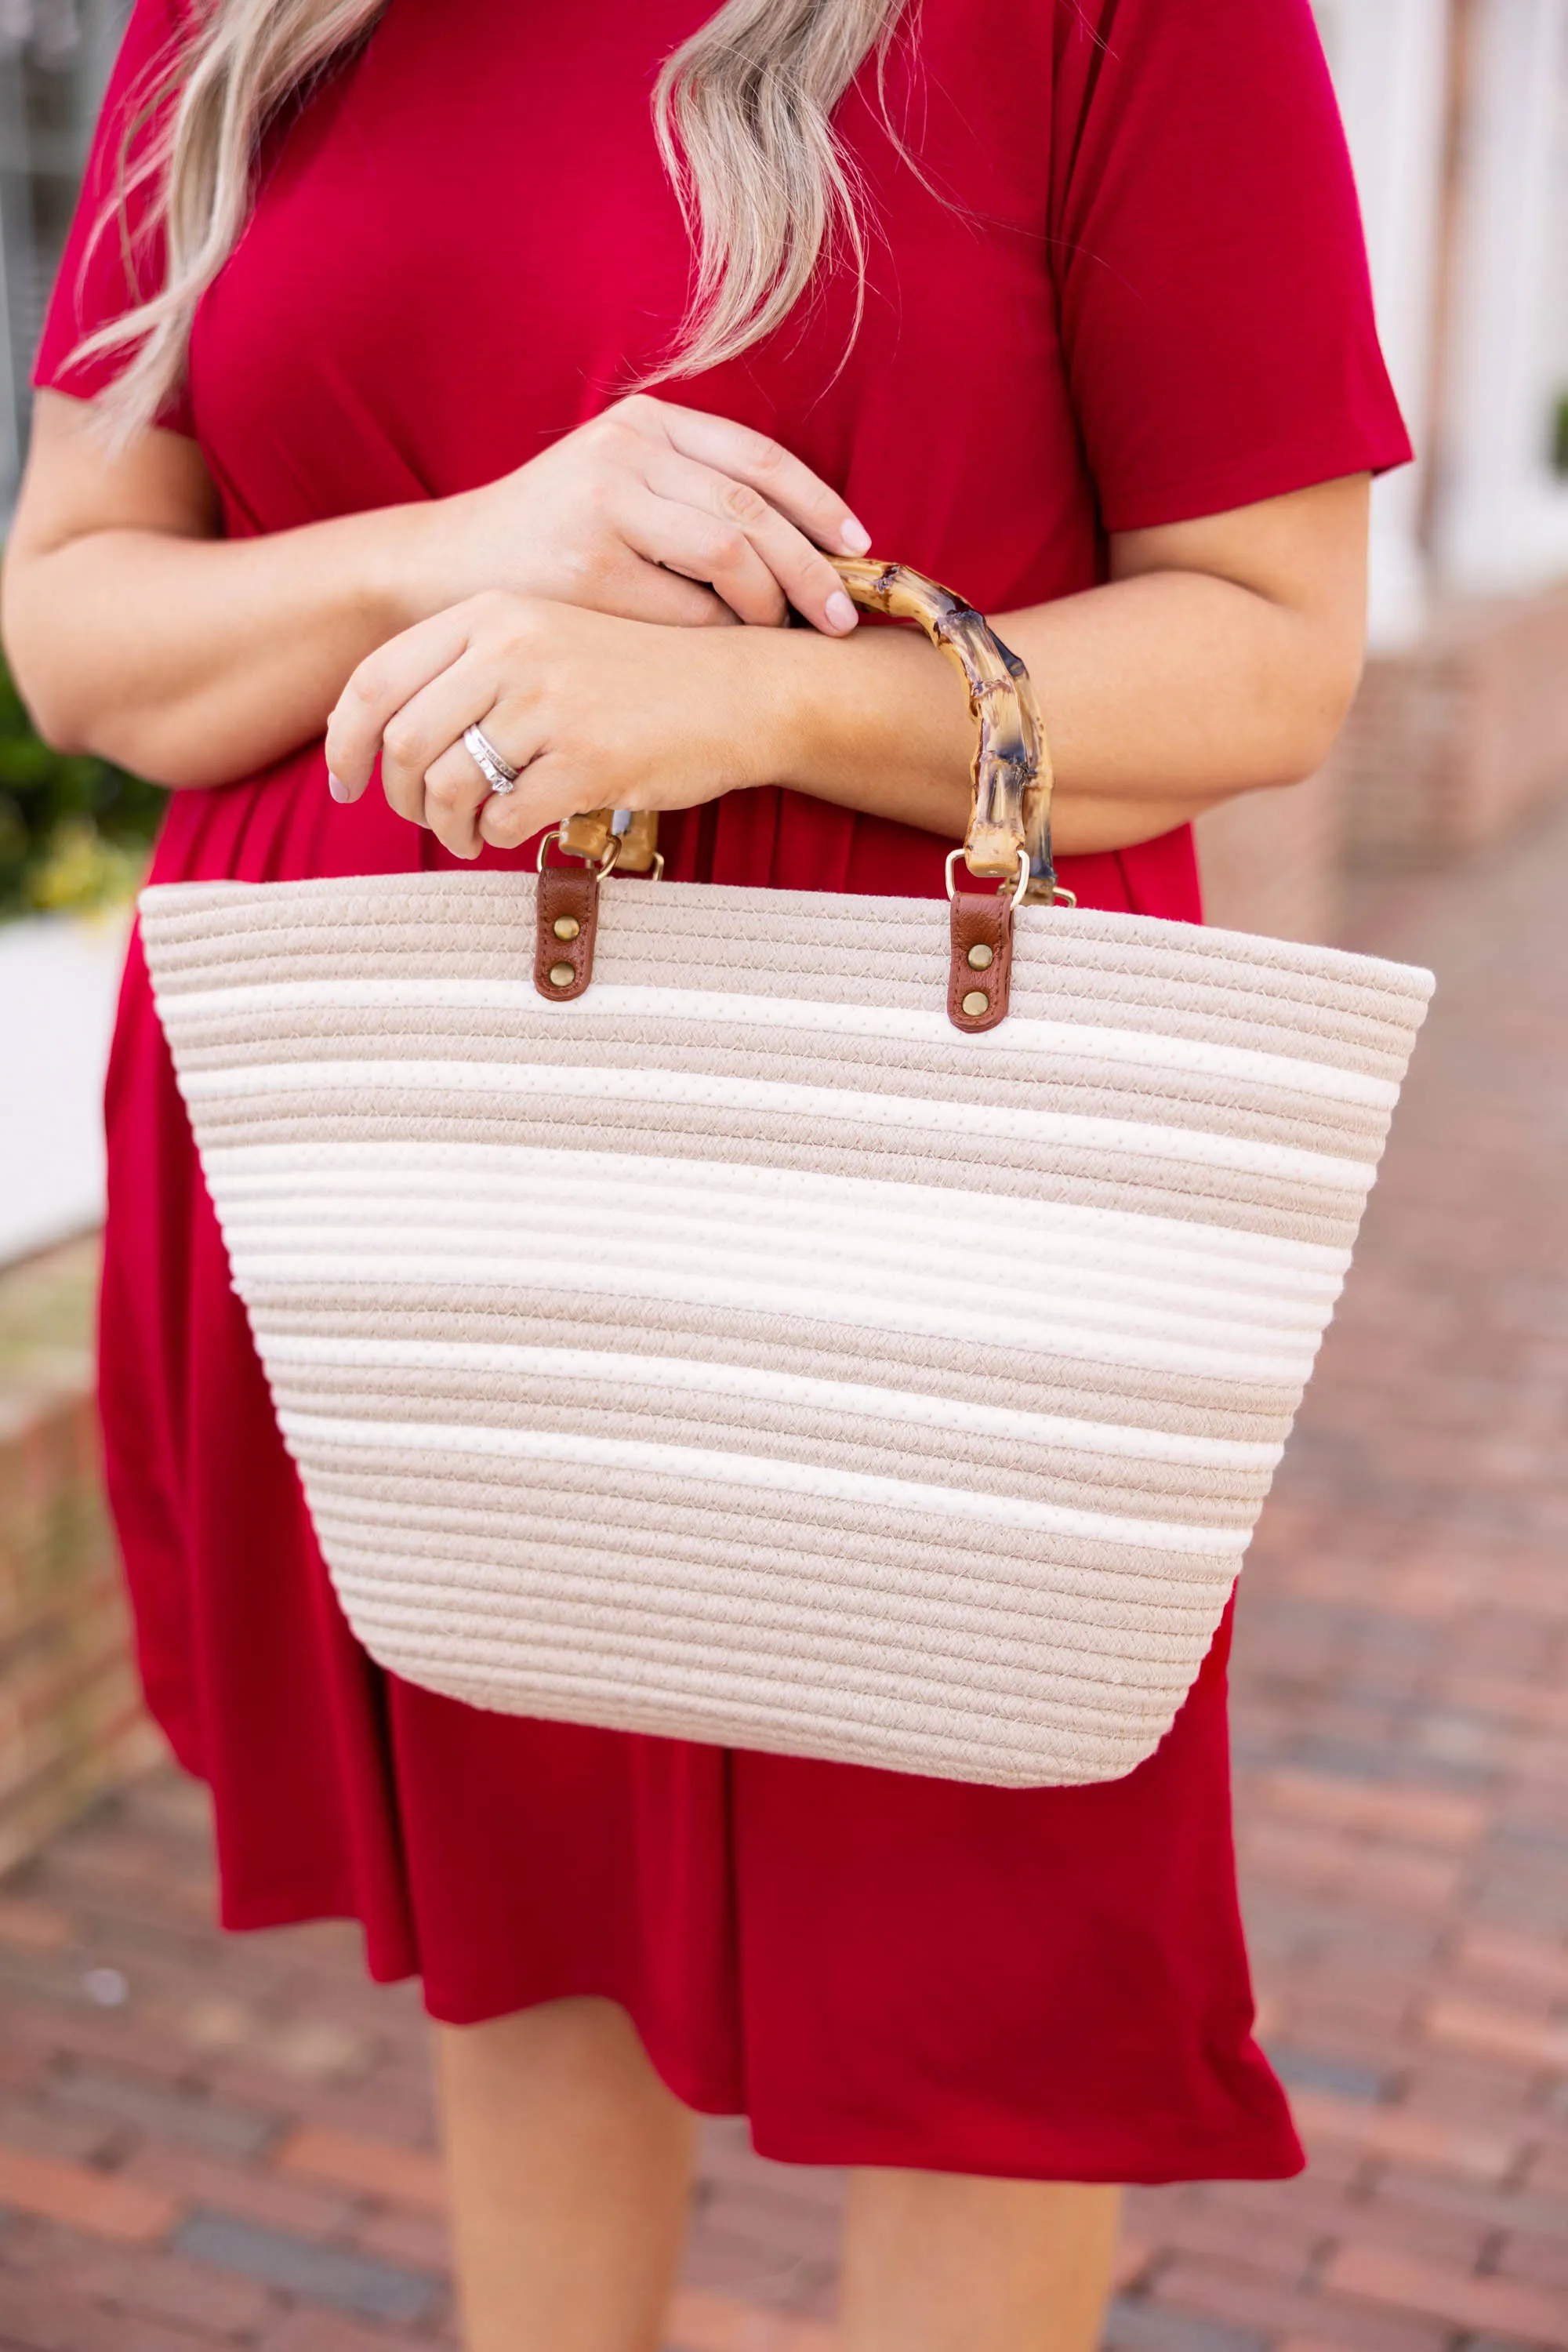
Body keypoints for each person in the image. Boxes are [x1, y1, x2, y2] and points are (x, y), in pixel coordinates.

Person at [2, 2, 1409, 2344]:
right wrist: (471, 548)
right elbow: (78, 630)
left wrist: (764, 701)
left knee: (995, 1987)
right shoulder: (247, 13)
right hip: (385, 1151)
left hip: (918, 1147)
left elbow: (1268, 653)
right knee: (516, 1911)